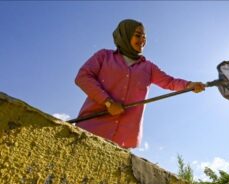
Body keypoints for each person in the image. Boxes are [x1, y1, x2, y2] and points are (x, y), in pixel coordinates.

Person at [75, 19, 205, 149]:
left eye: (144, 37)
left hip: (123, 141)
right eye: (138, 35)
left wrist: (189, 85)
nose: (142, 40)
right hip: (91, 128)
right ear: (125, 35)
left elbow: (169, 82)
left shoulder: (149, 67)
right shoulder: (103, 56)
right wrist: (108, 102)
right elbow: (83, 77)